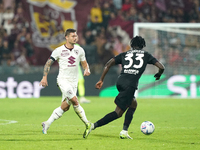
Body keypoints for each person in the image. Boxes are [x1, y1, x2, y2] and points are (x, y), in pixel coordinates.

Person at [84, 36, 165, 139]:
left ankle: (124, 131)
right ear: (143, 46)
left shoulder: (124, 54)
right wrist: (158, 74)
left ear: (131, 45)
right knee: (118, 113)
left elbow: (108, 64)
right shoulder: (146, 55)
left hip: (120, 81)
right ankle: (93, 126)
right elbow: (162, 67)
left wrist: (101, 80)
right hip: (130, 85)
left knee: (133, 104)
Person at [39, 28, 92, 138]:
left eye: (76, 36)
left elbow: (84, 63)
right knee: (74, 100)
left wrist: (87, 69)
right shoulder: (58, 51)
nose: (75, 38)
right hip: (63, 80)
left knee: (65, 107)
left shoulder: (80, 50)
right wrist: (44, 77)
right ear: (66, 37)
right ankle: (87, 123)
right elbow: (48, 64)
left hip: (74, 82)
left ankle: (47, 123)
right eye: (72, 36)